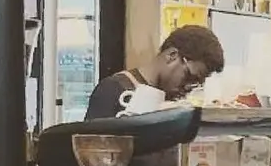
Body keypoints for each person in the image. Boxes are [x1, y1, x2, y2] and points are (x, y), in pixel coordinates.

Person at [85, 25, 225, 121]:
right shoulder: (113, 90)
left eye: (197, 84)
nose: (189, 87)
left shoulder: (171, 103)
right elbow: (90, 151)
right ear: (172, 55)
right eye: (190, 77)